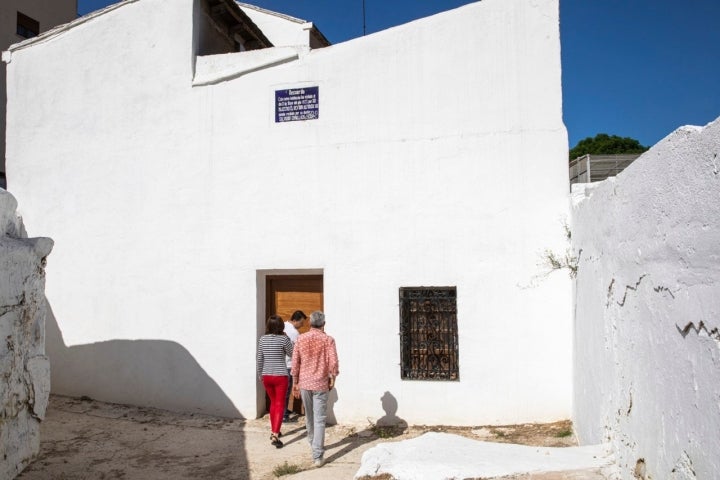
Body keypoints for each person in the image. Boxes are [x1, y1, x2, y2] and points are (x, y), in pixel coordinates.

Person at [291, 311, 339, 467]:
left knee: (309, 417)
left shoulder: (300, 339)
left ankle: (313, 444)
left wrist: (295, 382)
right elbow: (333, 362)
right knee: (319, 419)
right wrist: (333, 378)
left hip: (305, 383)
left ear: (310, 323)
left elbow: (295, 362)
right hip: (320, 383)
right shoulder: (328, 340)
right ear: (323, 323)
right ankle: (317, 455)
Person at [257, 314, 293, 448]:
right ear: (281, 326)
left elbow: (259, 358)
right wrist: (288, 339)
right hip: (280, 375)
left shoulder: (262, 339)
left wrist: (260, 375)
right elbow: (292, 353)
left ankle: (274, 430)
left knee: (273, 403)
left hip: (267, 375)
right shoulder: (283, 340)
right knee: (280, 404)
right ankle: (275, 434)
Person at [283, 310, 307, 422]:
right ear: (295, 320)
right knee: (287, 390)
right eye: (301, 323)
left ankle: (284, 410)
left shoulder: (283, 324)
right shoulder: (294, 333)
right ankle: (284, 415)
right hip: (288, 365)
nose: (302, 325)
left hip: (280, 363)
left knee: (283, 390)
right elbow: (297, 351)